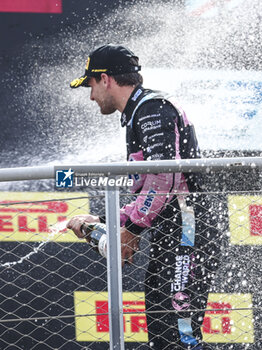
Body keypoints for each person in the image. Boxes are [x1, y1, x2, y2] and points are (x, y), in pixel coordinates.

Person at [68, 44, 220, 349]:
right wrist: (103, 219)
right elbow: (149, 191)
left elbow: (165, 178)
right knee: (164, 331)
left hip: (189, 231)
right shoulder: (141, 111)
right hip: (175, 232)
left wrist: (132, 230)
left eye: (91, 85)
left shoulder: (153, 108)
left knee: (180, 332)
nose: (91, 95)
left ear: (106, 79)